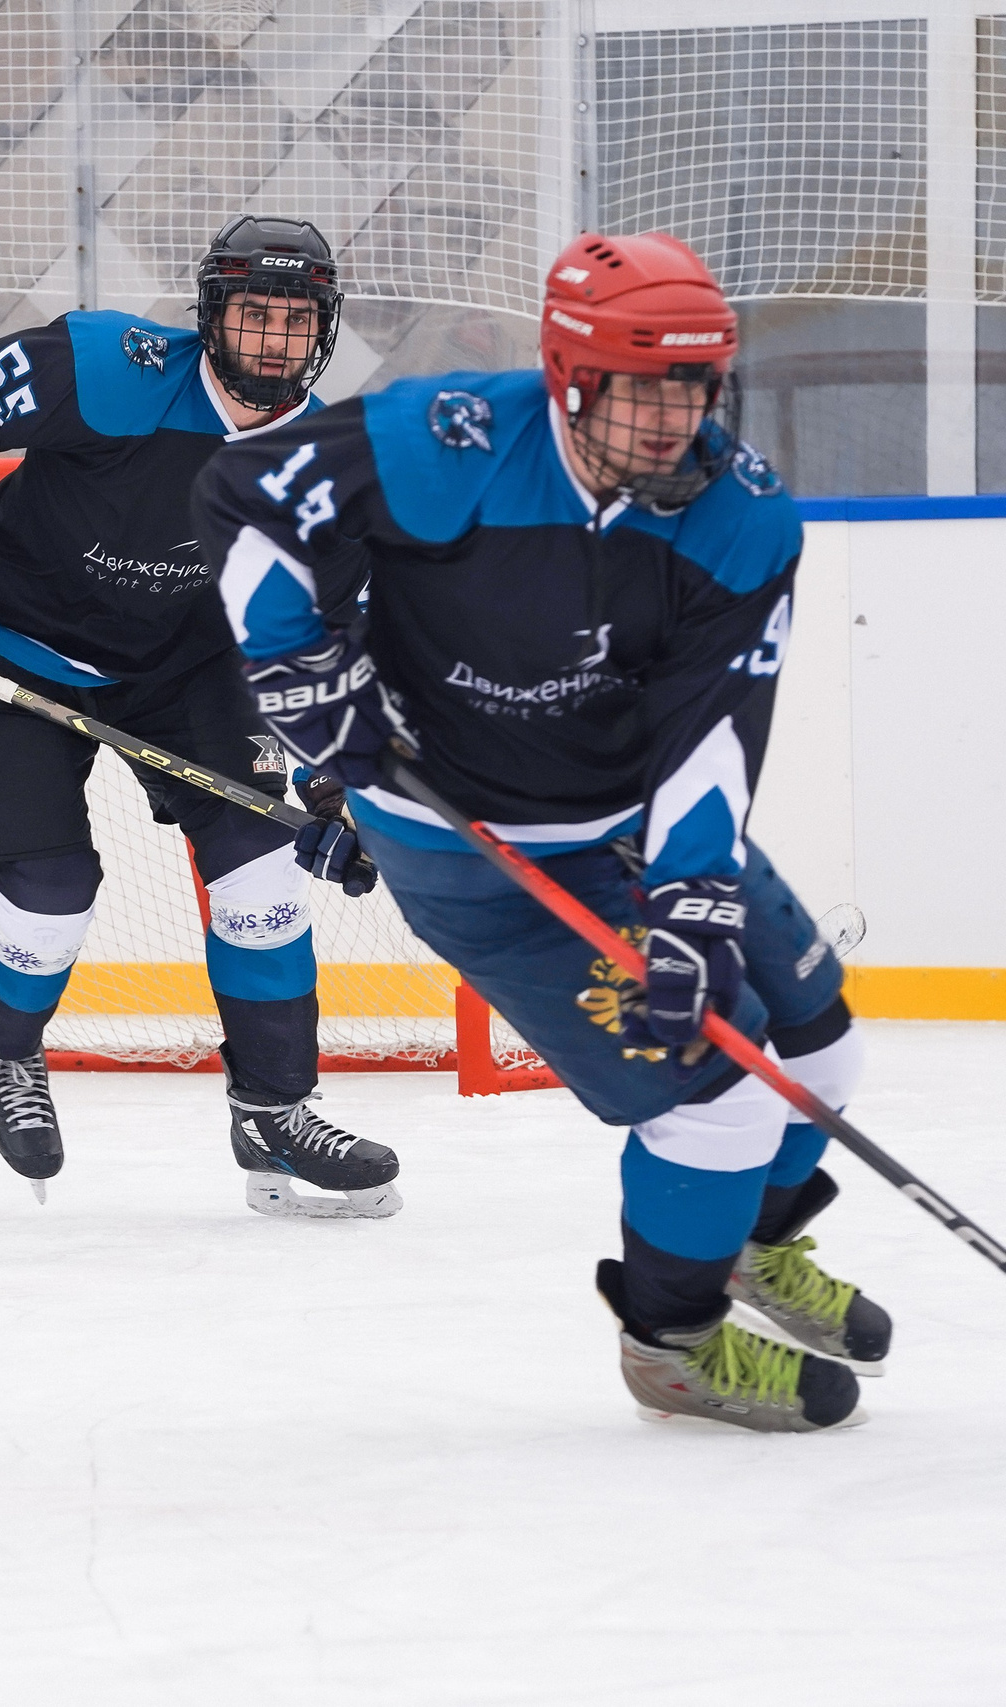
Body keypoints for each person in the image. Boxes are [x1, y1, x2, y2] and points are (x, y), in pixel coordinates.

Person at [195, 230, 884, 1432]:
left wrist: (693, 899)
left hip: (627, 809)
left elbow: (711, 735)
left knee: (818, 1052)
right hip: (471, 851)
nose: (674, 421)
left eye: (694, 385)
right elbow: (243, 497)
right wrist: (292, 659)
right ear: (568, 381)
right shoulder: (443, 441)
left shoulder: (742, 517)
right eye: (641, 389)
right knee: (715, 1098)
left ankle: (742, 1243)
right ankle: (672, 1341)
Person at [0, 215, 398, 1215]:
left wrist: (333, 786)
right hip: (9, 638)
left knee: (262, 860)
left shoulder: (320, 466)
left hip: (187, 668)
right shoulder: (112, 367)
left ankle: (274, 1111)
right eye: (251, 316)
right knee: (53, 881)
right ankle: (13, 1055)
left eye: (293, 321)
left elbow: (321, 641)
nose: (271, 341)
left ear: (321, 333)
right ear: (207, 317)